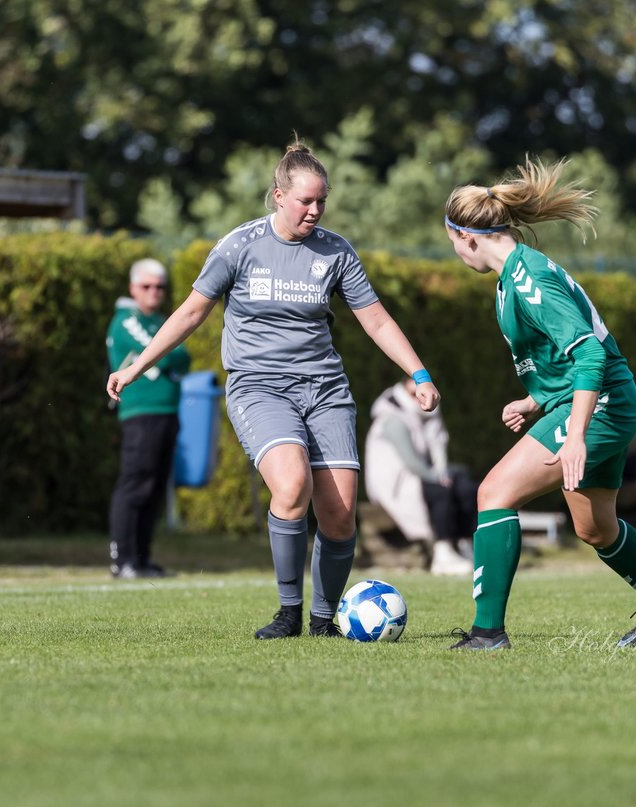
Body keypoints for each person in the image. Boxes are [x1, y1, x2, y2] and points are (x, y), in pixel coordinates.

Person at [108, 139, 440, 639]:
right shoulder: (239, 246)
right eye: (305, 200)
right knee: (290, 486)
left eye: (321, 200)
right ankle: (288, 612)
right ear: (278, 196)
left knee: (340, 513)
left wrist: (419, 373)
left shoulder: (336, 251)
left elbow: (375, 320)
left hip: (325, 390)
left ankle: (325, 620)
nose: (315, 210)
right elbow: (192, 312)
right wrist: (136, 366)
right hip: (259, 387)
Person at [441, 157, 636, 650]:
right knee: (594, 528)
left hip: (601, 407)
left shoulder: (528, 278)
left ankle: (488, 633)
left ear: (468, 237)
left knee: (493, 494)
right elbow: (562, 360)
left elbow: (592, 354)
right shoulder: (509, 280)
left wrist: (575, 435)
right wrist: (535, 401)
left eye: (452, 243)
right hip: (594, 404)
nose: (455, 253)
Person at [106, 258, 191, 579]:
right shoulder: (126, 320)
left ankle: (141, 559)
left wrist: (171, 356)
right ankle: (122, 559)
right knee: (135, 485)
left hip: (168, 412)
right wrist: (168, 356)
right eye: (146, 286)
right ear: (132, 288)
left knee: (154, 488)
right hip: (141, 414)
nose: (154, 292)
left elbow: (184, 357)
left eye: (159, 286)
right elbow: (167, 353)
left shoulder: (158, 321)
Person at [364, 379, 477, 575]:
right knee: (442, 489)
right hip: (395, 485)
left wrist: (442, 474)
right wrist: (439, 478)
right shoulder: (392, 418)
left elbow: (437, 452)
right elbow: (412, 463)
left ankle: (466, 544)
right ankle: (443, 552)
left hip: (418, 477)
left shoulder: (429, 417)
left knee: (463, 480)